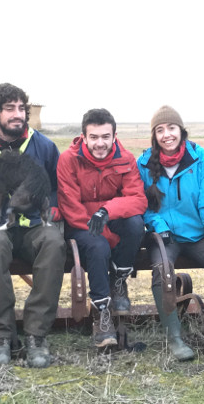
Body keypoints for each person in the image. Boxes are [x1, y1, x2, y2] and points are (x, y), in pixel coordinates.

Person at [0, 83, 65, 368]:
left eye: (21, 108)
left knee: (54, 243)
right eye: (9, 109)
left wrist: (53, 205)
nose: (17, 114)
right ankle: (0, 335)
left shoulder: (43, 146)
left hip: (33, 223)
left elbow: (57, 186)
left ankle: (36, 335)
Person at [138, 106, 204, 360]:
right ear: (154, 135)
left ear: (181, 130)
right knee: (162, 269)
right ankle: (175, 340)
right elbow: (143, 205)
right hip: (164, 236)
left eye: (171, 128)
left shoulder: (199, 159)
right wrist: (159, 228)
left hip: (198, 235)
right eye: (160, 130)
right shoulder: (142, 163)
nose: (167, 135)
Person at [57, 108, 147, 349]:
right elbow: (70, 206)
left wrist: (106, 212)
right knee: (97, 246)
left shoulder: (126, 159)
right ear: (84, 137)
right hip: (81, 224)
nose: (100, 143)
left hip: (107, 217)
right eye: (94, 137)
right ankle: (102, 314)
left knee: (135, 223)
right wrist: (105, 236)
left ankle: (119, 281)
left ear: (114, 135)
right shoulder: (68, 160)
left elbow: (137, 199)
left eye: (105, 137)